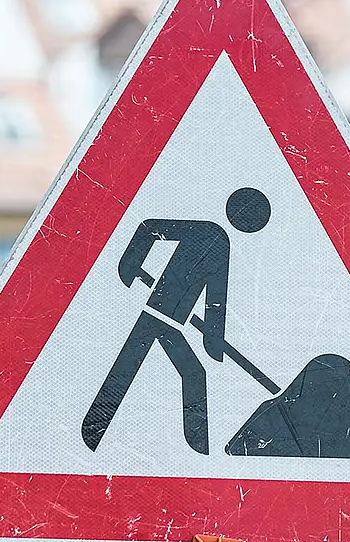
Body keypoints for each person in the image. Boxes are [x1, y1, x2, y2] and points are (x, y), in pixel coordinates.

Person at [82, 187, 272, 455]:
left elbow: (215, 301)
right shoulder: (212, 236)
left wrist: (213, 340)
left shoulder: (215, 238)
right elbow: (150, 228)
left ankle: (196, 450)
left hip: (168, 323)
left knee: (166, 371)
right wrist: (129, 265)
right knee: (174, 372)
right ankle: (93, 429)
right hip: (157, 316)